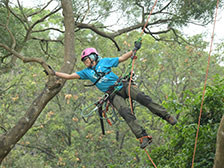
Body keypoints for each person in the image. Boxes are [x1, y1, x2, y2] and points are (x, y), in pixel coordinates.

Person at [47, 41, 177, 149]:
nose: (85, 62)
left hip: (122, 86)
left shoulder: (105, 62)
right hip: (112, 94)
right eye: (84, 61)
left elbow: (121, 58)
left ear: (93, 57)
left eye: (86, 59)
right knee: (126, 113)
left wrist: (134, 50)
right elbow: (69, 76)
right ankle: (143, 137)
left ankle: (166, 116)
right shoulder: (86, 72)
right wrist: (54, 73)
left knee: (143, 98)